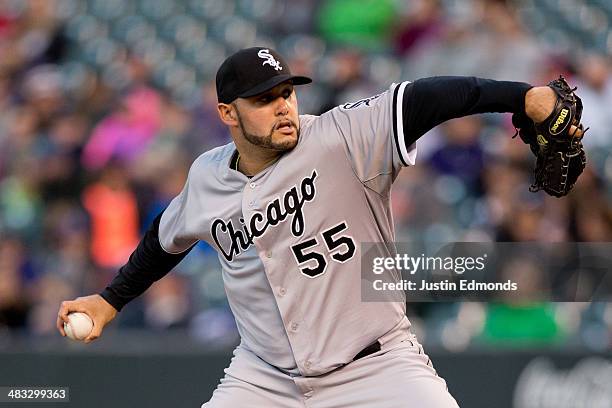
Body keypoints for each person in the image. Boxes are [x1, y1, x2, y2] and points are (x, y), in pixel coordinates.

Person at [57, 47, 585, 407]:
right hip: (263, 380)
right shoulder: (206, 177)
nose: (283, 106)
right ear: (227, 113)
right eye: (264, 99)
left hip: (377, 368)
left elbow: (427, 98)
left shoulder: (340, 137)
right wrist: (110, 301)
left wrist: (523, 97)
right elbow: (164, 241)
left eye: (287, 92)